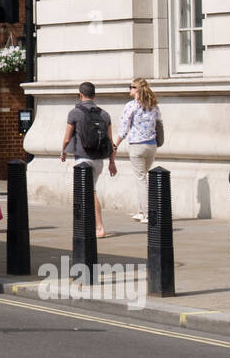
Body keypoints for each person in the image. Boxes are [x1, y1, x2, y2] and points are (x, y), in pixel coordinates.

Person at [60, 81, 117, 238]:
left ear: (80, 95)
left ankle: (99, 227)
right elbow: (111, 141)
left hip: (82, 160)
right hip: (99, 160)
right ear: (94, 95)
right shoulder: (104, 114)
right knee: (87, 192)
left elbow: (66, 138)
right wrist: (112, 162)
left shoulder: (74, 113)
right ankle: (87, 225)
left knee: (90, 193)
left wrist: (63, 152)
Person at [113, 78, 162, 222]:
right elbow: (159, 125)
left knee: (141, 180)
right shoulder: (154, 106)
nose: (129, 90)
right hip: (151, 146)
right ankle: (141, 211)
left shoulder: (131, 106)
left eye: (131, 87)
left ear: (137, 90)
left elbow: (123, 128)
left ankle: (147, 214)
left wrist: (115, 145)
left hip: (137, 147)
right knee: (143, 178)